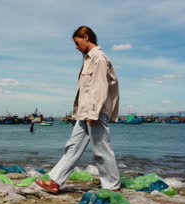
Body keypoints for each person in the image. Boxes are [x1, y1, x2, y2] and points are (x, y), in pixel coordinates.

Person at [35, 25, 121, 194]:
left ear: (86, 37)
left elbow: (100, 87)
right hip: (85, 111)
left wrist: (94, 113)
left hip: (94, 111)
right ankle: (54, 181)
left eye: (77, 42)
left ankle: (113, 187)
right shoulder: (88, 58)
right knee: (72, 146)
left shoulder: (99, 58)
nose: (76, 46)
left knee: (102, 149)